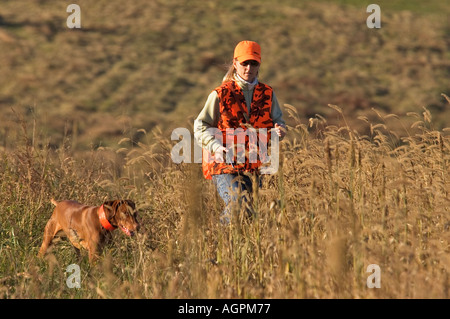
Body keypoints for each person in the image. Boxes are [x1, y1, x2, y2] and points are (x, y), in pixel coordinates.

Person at [194, 40, 286, 224]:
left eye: (254, 63)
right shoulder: (220, 93)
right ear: (235, 63)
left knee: (250, 212)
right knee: (238, 203)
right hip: (223, 163)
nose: (249, 68)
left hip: (254, 164)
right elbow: (200, 125)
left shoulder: (267, 93)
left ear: (259, 64)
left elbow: (279, 120)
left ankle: (232, 249)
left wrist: (280, 129)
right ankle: (219, 239)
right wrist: (215, 146)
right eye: (244, 63)